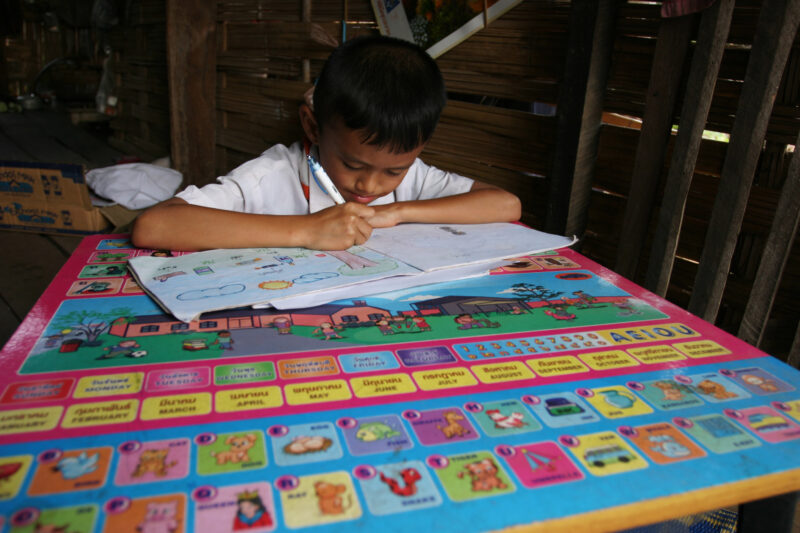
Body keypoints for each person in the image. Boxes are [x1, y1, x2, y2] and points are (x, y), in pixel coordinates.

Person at [132, 35, 521, 252]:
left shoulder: (410, 180)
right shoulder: (274, 175)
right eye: (353, 165)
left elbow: (506, 204)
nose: (370, 186)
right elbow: (155, 225)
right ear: (313, 127)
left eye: (394, 170)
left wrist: (398, 212)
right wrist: (305, 231)